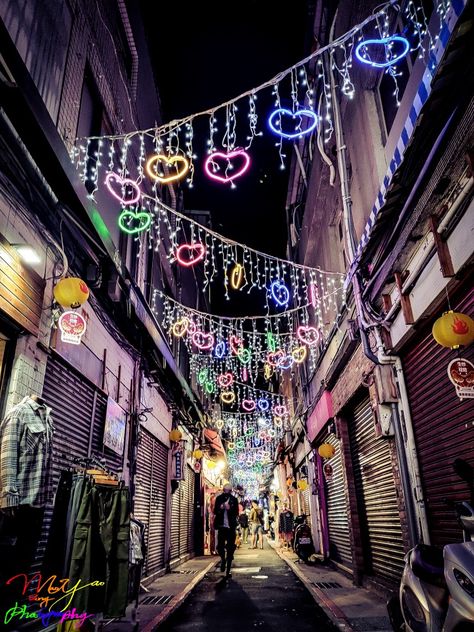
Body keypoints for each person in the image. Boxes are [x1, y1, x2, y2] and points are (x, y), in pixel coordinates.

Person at [213, 481, 239, 576]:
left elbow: (236, 513)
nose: (227, 492)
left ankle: (228, 570)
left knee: (230, 548)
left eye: (228, 491)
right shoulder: (219, 499)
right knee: (220, 546)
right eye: (225, 491)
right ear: (223, 490)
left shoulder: (234, 500)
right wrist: (221, 507)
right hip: (221, 527)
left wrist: (229, 509)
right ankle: (223, 559)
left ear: (231, 491)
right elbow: (215, 511)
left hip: (231, 527)